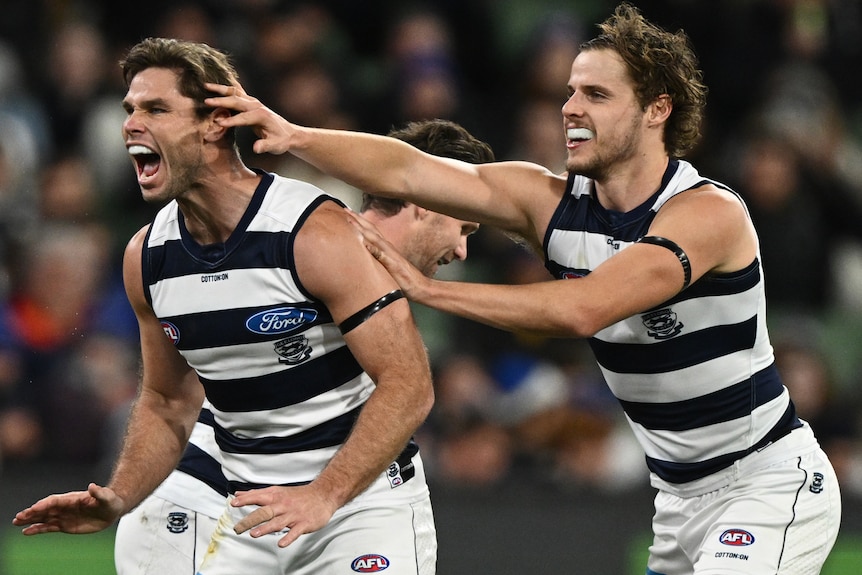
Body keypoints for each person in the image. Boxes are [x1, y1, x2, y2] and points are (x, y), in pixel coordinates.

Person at [202, 3, 842, 573]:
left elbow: (586, 307)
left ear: (655, 110)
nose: (570, 108)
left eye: (596, 94)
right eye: (569, 91)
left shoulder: (707, 213)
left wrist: (427, 292)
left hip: (766, 481)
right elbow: (410, 167)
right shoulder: (550, 203)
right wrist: (295, 136)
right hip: (677, 498)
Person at [14, 37, 439, 575]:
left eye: (155, 109)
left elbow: (409, 382)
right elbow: (168, 402)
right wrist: (119, 496)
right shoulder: (146, 257)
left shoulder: (314, 231)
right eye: (129, 110)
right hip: (248, 512)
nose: (130, 124)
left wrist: (323, 494)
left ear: (215, 121)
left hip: (362, 505)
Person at [112, 117, 491, 575]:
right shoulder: (308, 240)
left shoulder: (350, 256)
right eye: (464, 228)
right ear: (429, 199)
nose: (462, 250)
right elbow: (180, 389)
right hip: (222, 486)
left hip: (345, 501)